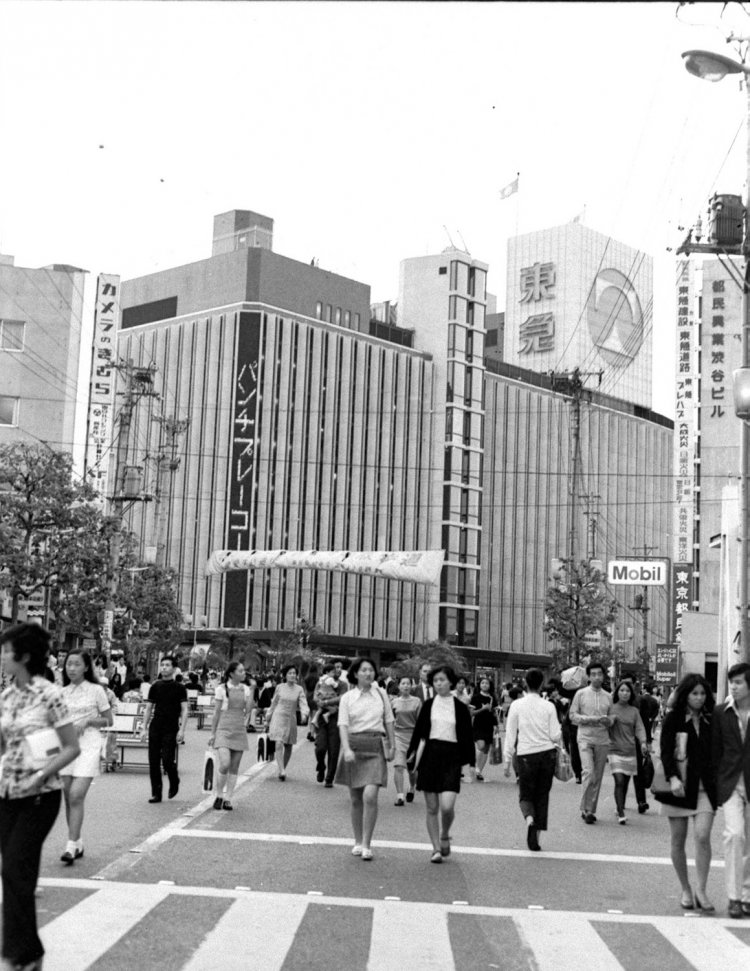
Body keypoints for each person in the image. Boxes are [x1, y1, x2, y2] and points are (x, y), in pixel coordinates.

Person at [0, 623, 80, 971]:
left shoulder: (50, 694)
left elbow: (71, 748)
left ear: (24, 655)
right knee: (16, 874)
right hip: (6, 793)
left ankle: (22, 951)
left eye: (6, 650)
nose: (1, 656)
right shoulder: (6, 695)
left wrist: (40, 775)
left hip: (39, 795)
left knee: (15, 866)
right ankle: (24, 952)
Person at [655, 673, 717, 912]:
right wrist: (671, 778)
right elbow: (665, 751)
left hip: (704, 788)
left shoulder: (712, 719)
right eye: (694, 693)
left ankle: (701, 888)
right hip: (678, 786)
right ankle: (685, 888)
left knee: (702, 836)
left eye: (702, 693)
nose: (699, 698)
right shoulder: (674, 719)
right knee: (678, 840)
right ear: (686, 695)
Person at [407, 664, 475, 863]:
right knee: (431, 807)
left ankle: (445, 833)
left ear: (450, 682)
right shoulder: (428, 705)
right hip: (430, 755)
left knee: (447, 806)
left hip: (452, 756)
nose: (438, 684)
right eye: (435, 680)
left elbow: (467, 735)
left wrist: (471, 764)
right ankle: (436, 848)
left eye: (442, 680)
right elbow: (419, 732)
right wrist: (411, 755)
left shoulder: (460, 708)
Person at [335, 658, 395, 861]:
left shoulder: (381, 694)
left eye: (371, 670)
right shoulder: (347, 698)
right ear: (355, 674)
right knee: (355, 799)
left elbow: (388, 720)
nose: (368, 674)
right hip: (353, 746)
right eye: (364, 670)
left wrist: (392, 745)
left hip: (375, 745)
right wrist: (346, 749)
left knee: (370, 795)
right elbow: (343, 724)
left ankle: (368, 844)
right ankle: (358, 841)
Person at [59, 649, 113, 862]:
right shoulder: (61, 692)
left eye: (76, 664)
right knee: (67, 795)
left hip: (89, 743)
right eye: (68, 664)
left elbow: (109, 720)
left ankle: (70, 846)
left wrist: (89, 721)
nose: (71, 668)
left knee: (76, 794)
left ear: (86, 667)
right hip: (66, 745)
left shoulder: (97, 690)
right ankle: (76, 840)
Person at [503, 668, 562, 851]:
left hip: (526, 754)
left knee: (526, 794)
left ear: (525, 683)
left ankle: (529, 819)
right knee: (542, 796)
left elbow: (510, 734)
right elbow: (555, 735)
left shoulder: (517, 705)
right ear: (542, 683)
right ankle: (535, 838)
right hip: (547, 754)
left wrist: (507, 760)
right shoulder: (549, 706)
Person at [712, 661, 750, 918]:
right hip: (731, 785)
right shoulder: (720, 713)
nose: (733, 687)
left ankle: (747, 896)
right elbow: (715, 751)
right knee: (735, 835)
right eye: (731, 683)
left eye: (738, 683)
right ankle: (734, 897)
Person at [139, 656, 188, 803]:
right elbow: (148, 709)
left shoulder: (180, 688)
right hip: (156, 726)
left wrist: (182, 730)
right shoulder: (155, 686)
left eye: (167, 665)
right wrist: (144, 728)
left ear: (174, 668)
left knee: (167, 760)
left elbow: (184, 710)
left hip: (171, 727)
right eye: (163, 665)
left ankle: (174, 779)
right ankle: (156, 793)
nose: (164, 668)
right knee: (153, 761)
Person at [569, 660, 613, 823]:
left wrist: (609, 721)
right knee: (589, 772)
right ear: (588, 677)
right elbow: (572, 716)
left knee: (598, 776)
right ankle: (586, 810)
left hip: (602, 739)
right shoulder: (580, 694)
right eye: (593, 674)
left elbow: (613, 717)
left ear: (603, 676)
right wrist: (590, 719)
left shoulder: (608, 696)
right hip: (585, 738)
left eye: (599, 674)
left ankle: (590, 809)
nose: (596, 677)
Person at [208, 661, 254, 810]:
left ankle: (228, 798)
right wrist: (213, 733)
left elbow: (248, 710)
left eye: (244, 671)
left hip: (239, 729)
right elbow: (216, 712)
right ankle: (219, 794)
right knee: (225, 763)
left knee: (234, 767)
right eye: (240, 671)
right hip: (223, 728)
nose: (243, 673)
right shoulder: (221, 689)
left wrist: (252, 690)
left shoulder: (245, 689)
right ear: (232, 673)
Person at [608, 680, 647, 825]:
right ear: (617, 692)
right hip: (614, 749)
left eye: (627, 691)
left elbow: (639, 728)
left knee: (624, 782)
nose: (624, 693)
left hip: (630, 750)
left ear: (631, 694)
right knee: (619, 780)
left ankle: (619, 807)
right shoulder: (610, 708)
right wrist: (609, 721)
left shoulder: (634, 711)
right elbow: (604, 725)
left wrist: (643, 743)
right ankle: (621, 812)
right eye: (622, 690)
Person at [266, 664, 309, 780]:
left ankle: (282, 769)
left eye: (294, 673)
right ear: (285, 675)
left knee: (288, 745)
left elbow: (303, 702)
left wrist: (305, 713)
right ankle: (282, 770)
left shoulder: (299, 689)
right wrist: (268, 717)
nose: (292, 675)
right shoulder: (279, 687)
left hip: (291, 719)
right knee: (279, 742)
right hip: (278, 716)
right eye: (290, 673)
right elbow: (274, 703)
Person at [313, 662, 347, 787]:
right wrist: (320, 702)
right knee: (320, 748)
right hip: (322, 718)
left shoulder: (343, 685)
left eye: (339, 667)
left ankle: (329, 778)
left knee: (334, 750)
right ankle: (321, 767)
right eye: (335, 668)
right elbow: (315, 697)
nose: (338, 670)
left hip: (337, 719)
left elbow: (342, 698)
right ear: (329, 671)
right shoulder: (321, 681)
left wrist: (327, 702)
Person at [391, 676, 421, 805]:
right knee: (398, 766)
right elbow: (389, 720)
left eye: (408, 683)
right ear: (399, 686)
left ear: (411, 686)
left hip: (413, 737)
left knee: (412, 770)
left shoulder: (417, 702)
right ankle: (399, 796)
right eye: (403, 683)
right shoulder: (394, 702)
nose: (406, 686)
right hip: (398, 735)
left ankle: (412, 787)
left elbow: (421, 722)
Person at [469, 677, 497, 781]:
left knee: (486, 749)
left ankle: (479, 771)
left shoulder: (492, 697)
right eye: (483, 683)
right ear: (479, 685)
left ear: (490, 686)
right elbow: (471, 713)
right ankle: (474, 765)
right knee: (481, 745)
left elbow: (494, 713)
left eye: (487, 683)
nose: (485, 685)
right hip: (478, 725)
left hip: (489, 725)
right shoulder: (475, 697)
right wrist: (483, 708)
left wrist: (496, 725)